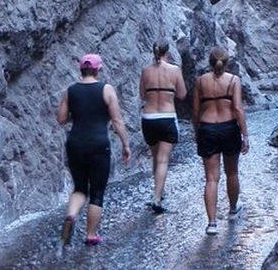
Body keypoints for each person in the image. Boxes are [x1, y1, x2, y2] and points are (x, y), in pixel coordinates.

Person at [57, 53, 130, 246]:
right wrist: (125, 144)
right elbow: (116, 121)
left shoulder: (69, 91)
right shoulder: (106, 90)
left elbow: (61, 119)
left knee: (80, 188)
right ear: (98, 70)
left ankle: (71, 216)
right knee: (97, 191)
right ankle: (90, 234)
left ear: (81, 69)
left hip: (75, 143)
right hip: (98, 144)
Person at [192, 46, 249, 235]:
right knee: (232, 172)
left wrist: (196, 131)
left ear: (210, 62)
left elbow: (195, 111)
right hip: (229, 128)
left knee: (211, 178)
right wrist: (245, 135)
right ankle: (233, 210)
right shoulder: (233, 80)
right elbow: (238, 108)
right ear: (227, 63)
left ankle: (212, 223)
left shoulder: (200, 81)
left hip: (207, 129)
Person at [138, 40, 187, 213]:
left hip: (149, 118)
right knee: (163, 159)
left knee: (155, 157)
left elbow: (142, 95)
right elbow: (182, 94)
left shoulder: (145, 71)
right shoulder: (174, 70)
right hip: (167, 116)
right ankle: (157, 198)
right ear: (168, 52)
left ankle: (157, 191)